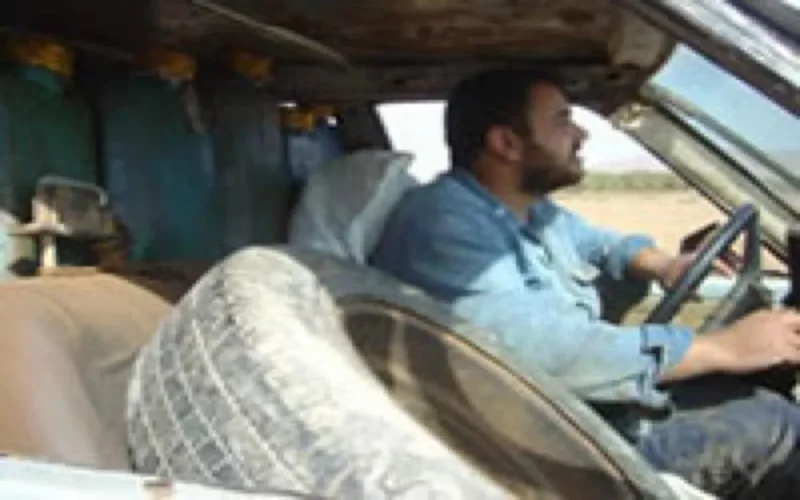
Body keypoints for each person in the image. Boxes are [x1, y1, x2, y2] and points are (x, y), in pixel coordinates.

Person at [371, 68, 800, 496]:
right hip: (540, 452)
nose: (580, 134)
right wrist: (717, 348)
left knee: (746, 393)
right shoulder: (445, 223)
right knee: (777, 426)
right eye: (562, 120)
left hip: (573, 415)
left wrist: (664, 264)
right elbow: (541, 352)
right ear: (506, 143)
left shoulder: (530, 211)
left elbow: (598, 244)